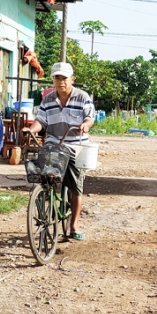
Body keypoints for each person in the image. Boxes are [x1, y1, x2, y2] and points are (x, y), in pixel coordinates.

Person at [24, 61, 95, 240]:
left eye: (64, 78)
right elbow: (41, 121)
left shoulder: (82, 97)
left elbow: (89, 118)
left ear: (72, 79)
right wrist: (31, 130)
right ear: (53, 80)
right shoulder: (48, 99)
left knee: (75, 187)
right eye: (57, 78)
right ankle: (47, 195)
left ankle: (74, 225)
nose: (60, 81)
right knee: (44, 172)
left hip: (75, 146)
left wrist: (85, 125)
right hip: (53, 144)